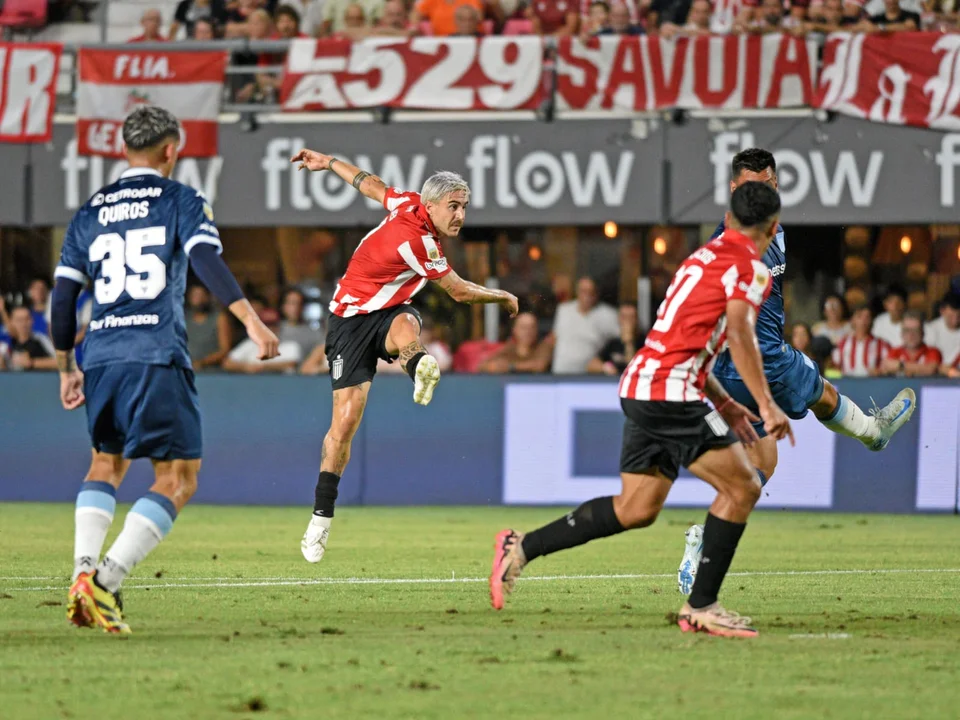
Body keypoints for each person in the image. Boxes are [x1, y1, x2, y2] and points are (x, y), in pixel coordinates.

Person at [490, 182, 795, 638]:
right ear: (773, 228)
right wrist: (766, 404)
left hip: (642, 385)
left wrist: (726, 401)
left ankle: (521, 547)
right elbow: (740, 335)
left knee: (636, 507)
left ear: (728, 220)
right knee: (743, 487)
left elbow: (683, 341)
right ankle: (702, 605)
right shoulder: (753, 270)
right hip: (671, 393)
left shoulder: (701, 259)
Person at [51, 106, 279, 635]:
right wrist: (250, 320)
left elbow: (64, 298)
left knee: (104, 466)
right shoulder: (181, 200)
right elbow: (205, 262)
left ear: (122, 149)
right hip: (155, 353)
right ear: (171, 150)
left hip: (102, 355)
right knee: (178, 477)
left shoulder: (90, 210)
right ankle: (104, 582)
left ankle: (81, 572)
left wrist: (67, 366)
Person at [677, 149, 916, 595]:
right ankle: (872, 431)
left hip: (738, 364)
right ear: (734, 190)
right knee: (821, 390)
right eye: (752, 187)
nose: (761, 193)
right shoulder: (730, 239)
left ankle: (701, 541)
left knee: (764, 460)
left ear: (776, 184)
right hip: (761, 358)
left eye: (767, 185)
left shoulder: (775, 231)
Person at [290, 148, 519, 563]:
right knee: (343, 426)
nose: (460, 215)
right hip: (349, 322)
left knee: (405, 323)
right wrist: (500, 295)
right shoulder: (419, 241)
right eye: (453, 206)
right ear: (431, 205)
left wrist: (329, 162)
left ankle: (418, 364)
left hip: (390, 312)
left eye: (464, 206)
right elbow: (459, 291)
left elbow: (370, 183)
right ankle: (320, 519)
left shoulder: (408, 203)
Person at [551, 277, 620, 374]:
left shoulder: (608, 315)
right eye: (583, 291)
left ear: (597, 293)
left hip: (589, 377)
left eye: (591, 291)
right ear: (577, 292)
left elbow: (621, 342)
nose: (587, 295)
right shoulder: (563, 310)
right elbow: (554, 338)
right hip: (560, 374)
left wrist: (607, 365)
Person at [477, 312, 552, 373]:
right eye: (523, 328)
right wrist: (493, 367)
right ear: (514, 330)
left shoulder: (544, 346)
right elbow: (482, 366)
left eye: (532, 327)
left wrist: (510, 367)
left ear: (537, 330)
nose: (528, 332)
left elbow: (540, 366)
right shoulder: (509, 348)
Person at [831, 305, 889, 377]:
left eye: (867, 317)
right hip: (847, 385)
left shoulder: (881, 344)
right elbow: (833, 368)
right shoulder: (842, 344)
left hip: (873, 385)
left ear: (871, 321)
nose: (863, 321)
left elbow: (888, 369)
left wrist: (880, 371)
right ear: (852, 320)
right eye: (859, 317)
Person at [881, 312, 942, 377]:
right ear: (901, 333)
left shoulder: (933, 351)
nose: (911, 335)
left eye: (916, 330)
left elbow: (930, 370)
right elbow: (885, 368)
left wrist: (900, 366)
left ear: (922, 333)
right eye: (907, 330)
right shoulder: (895, 351)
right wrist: (917, 369)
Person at [185, 284, 232, 369]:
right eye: (195, 296)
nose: (198, 299)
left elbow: (225, 350)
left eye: (201, 295)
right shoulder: (184, 319)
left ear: (208, 297)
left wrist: (202, 362)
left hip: (211, 371)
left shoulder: (219, 318)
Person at [587, 303, 641, 375]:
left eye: (631, 317)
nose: (627, 321)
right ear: (619, 319)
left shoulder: (646, 342)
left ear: (637, 320)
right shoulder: (613, 342)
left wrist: (629, 343)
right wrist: (605, 367)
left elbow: (632, 369)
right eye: (624, 317)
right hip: (614, 383)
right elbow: (591, 365)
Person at [6, 305, 57, 371]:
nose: (24, 324)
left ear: (32, 320)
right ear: (12, 322)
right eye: (19, 320)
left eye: (27, 319)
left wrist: (32, 363)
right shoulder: (7, 342)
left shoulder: (40, 339)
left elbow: (60, 362)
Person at [925, 291, 960, 368]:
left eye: (958, 317)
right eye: (951, 316)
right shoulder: (930, 329)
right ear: (942, 311)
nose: (955, 320)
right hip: (934, 372)